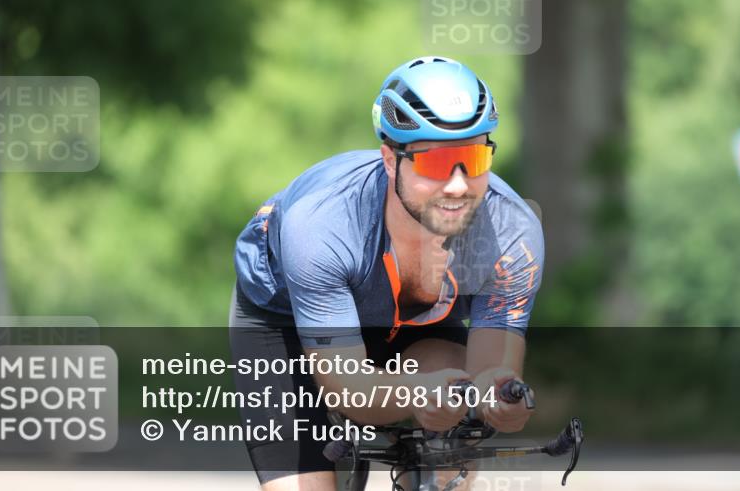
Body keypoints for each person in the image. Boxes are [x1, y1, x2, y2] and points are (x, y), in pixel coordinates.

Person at [229, 56, 544, 491]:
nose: (457, 184)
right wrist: (417, 395)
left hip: (418, 322)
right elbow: (349, 389)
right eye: (435, 163)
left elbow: (490, 374)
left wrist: (500, 400)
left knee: (457, 398)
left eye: (472, 158)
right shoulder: (321, 225)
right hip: (285, 318)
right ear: (391, 160)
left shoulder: (512, 233)